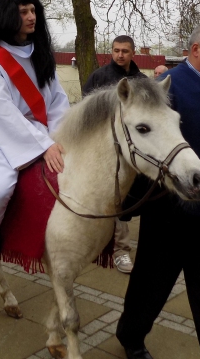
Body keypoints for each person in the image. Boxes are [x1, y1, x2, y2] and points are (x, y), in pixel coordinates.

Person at [116, 23, 200, 359]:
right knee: (151, 285)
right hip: (169, 213)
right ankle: (130, 338)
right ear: (195, 50)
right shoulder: (165, 89)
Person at [0, 0, 70, 298]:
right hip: (2, 137)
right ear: (9, 16)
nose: (31, 17)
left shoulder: (41, 53)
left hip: (44, 136)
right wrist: (42, 144)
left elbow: (58, 103)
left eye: (33, 11)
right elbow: (1, 112)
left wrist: (59, 139)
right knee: (0, 188)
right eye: (24, 11)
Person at [81, 35, 146, 274]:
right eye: (116, 50)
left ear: (133, 53)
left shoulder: (141, 81)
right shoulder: (98, 77)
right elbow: (85, 113)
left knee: (121, 200)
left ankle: (121, 250)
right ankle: (91, 244)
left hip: (130, 153)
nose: (120, 55)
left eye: (125, 51)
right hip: (100, 149)